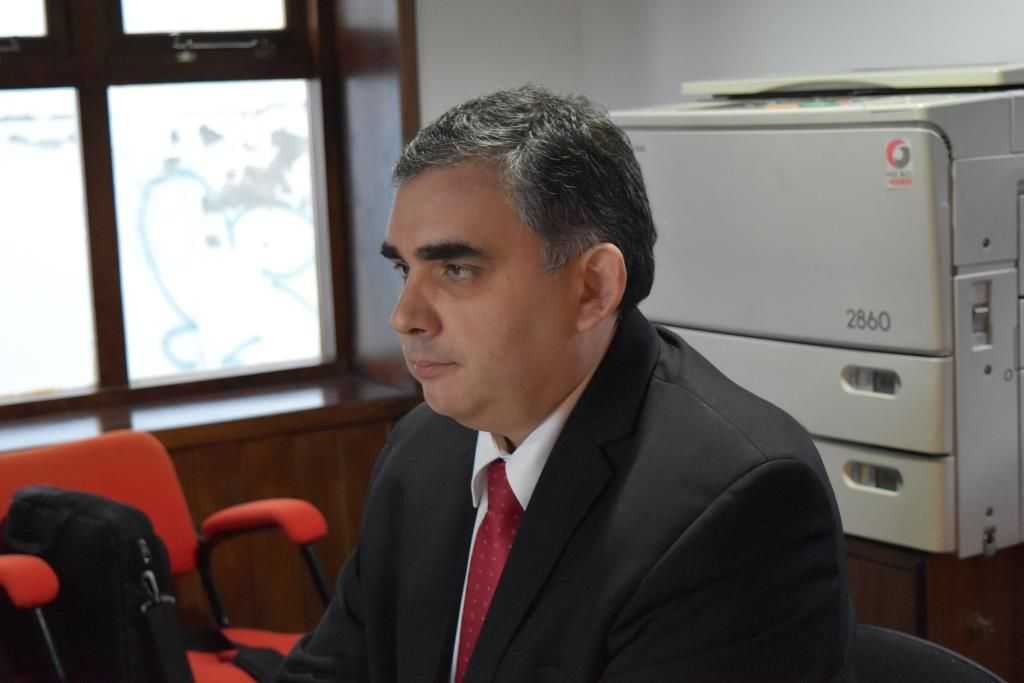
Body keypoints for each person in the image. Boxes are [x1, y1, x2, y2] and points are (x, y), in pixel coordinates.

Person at [278, 85, 852, 683]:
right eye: (405, 268)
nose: (405, 316)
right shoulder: (420, 450)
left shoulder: (738, 505)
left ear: (592, 289)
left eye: (456, 269)